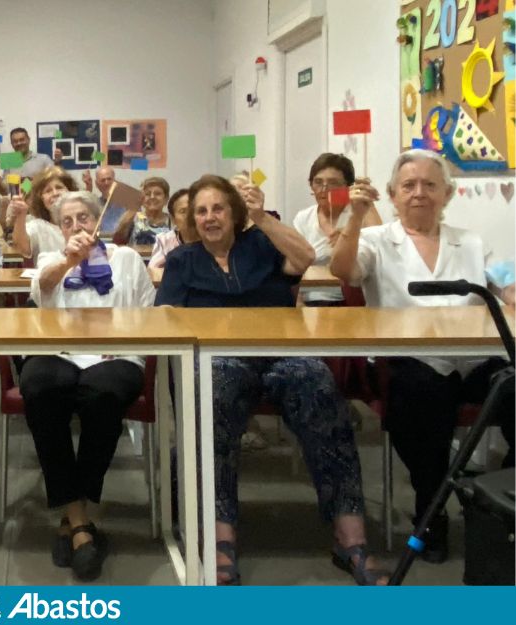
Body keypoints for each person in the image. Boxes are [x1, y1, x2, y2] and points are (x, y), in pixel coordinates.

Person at [156, 174, 385, 585]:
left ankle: (349, 534)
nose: (210, 218)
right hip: (218, 361)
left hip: (281, 355)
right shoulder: (181, 261)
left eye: (219, 208)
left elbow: (305, 258)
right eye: (201, 211)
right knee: (214, 397)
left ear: (235, 212)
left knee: (319, 387)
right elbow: (165, 317)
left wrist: (263, 218)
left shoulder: (261, 244)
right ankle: (221, 532)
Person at [329, 148, 514, 563]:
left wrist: (509, 292)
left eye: (430, 185)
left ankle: (498, 499)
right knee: (424, 398)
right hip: (409, 361)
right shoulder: (377, 240)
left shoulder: (469, 241)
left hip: (472, 359)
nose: (419, 193)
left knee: (515, 386)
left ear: (446, 194)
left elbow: (503, 281)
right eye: (408, 186)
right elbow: (343, 271)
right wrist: (356, 216)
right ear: (392, 195)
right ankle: (431, 512)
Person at [22, 191, 155, 581]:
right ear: (59, 229)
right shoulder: (51, 259)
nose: (77, 225)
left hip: (116, 354)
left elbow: (147, 312)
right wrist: (69, 260)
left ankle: (71, 518)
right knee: (40, 387)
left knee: (104, 395)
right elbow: (43, 288)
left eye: (84, 218)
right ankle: (81, 520)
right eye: (67, 221)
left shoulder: (127, 258)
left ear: (99, 222)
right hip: (60, 351)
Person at [292, 153, 381, 305]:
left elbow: (380, 247)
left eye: (333, 183)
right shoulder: (304, 218)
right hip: (313, 297)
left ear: (347, 187)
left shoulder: (358, 213)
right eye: (318, 182)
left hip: (352, 298)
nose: (324, 189)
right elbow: (296, 265)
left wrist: (351, 235)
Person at [8, 166, 74, 266]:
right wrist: (20, 215)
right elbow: (21, 248)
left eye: (59, 187)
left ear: (70, 191)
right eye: (48, 191)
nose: (55, 193)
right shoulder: (37, 226)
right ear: (41, 199)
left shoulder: (81, 224)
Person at [112, 177, 172, 246]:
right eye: (147, 194)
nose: (152, 197)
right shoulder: (133, 217)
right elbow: (117, 243)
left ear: (166, 199)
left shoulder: (173, 221)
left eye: (157, 194)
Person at [148, 187, 194, 269]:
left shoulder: (213, 239)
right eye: (183, 211)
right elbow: (154, 272)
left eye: (194, 210)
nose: (190, 216)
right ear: (173, 219)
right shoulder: (164, 240)